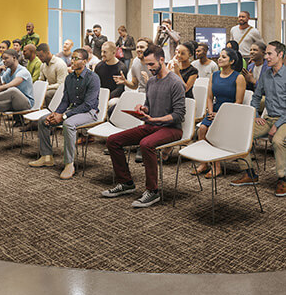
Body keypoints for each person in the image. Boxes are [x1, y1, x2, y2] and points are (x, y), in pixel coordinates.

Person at [102, 43, 186, 207]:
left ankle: (153, 191)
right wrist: (143, 108)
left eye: (152, 64)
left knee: (146, 144)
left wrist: (155, 119)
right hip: (152, 125)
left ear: (161, 60)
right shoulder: (152, 81)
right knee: (113, 140)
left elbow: (179, 115)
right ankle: (126, 183)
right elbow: (149, 105)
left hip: (171, 129)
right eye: (147, 65)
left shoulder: (175, 83)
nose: (149, 68)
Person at [29, 48, 100, 179]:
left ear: (84, 61)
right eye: (72, 58)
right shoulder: (69, 78)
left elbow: (88, 105)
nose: (72, 61)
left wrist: (63, 116)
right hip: (72, 110)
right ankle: (46, 157)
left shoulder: (93, 78)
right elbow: (65, 100)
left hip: (89, 113)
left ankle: (69, 164)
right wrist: (56, 113)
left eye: (76, 58)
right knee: (43, 120)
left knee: (68, 124)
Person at [231, 41, 286, 196]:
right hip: (268, 119)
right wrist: (255, 116)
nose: (266, 57)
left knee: (278, 141)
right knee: (239, 135)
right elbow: (255, 98)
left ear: (280, 55)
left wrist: (277, 124)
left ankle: (283, 179)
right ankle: (249, 173)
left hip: (284, 119)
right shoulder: (266, 75)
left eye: (269, 54)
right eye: (266, 53)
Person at [195, 48, 245, 177]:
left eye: (224, 57)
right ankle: (204, 162)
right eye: (219, 56)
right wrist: (211, 112)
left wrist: (220, 115)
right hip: (215, 110)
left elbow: (238, 102)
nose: (220, 59)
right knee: (202, 129)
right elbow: (209, 98)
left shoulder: (239, 77)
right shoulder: (215, 75)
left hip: (231, 112)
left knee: (212, 131)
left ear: (232, 61)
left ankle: (216, 166)